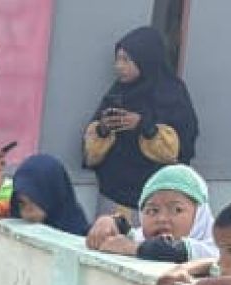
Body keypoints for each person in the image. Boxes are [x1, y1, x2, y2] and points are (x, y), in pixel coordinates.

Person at [83, 26, 200, 216]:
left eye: (126, 60)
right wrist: (104, 128)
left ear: (146, 60)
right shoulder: (118, 91)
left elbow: (180, 146)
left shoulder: (171, 94)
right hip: (113, 193)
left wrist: (144, 125)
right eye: (117, 59)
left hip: (155, 196)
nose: (119, 66)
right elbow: (92, 146)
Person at [85, 163, 215, 264]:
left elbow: (169, 251)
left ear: (200, 215)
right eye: (152, 211)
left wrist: (131, 248)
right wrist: (108, 223)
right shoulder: (144, 239)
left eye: (177, 210)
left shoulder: (216, 247)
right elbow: (129, 233)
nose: (162, 218)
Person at [0, 153, 92, 236]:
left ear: (52, 196)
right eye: (22, 203)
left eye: (36, 200)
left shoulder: (81, 237)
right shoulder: (19, 220)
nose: (27, 212)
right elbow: (7, 207)